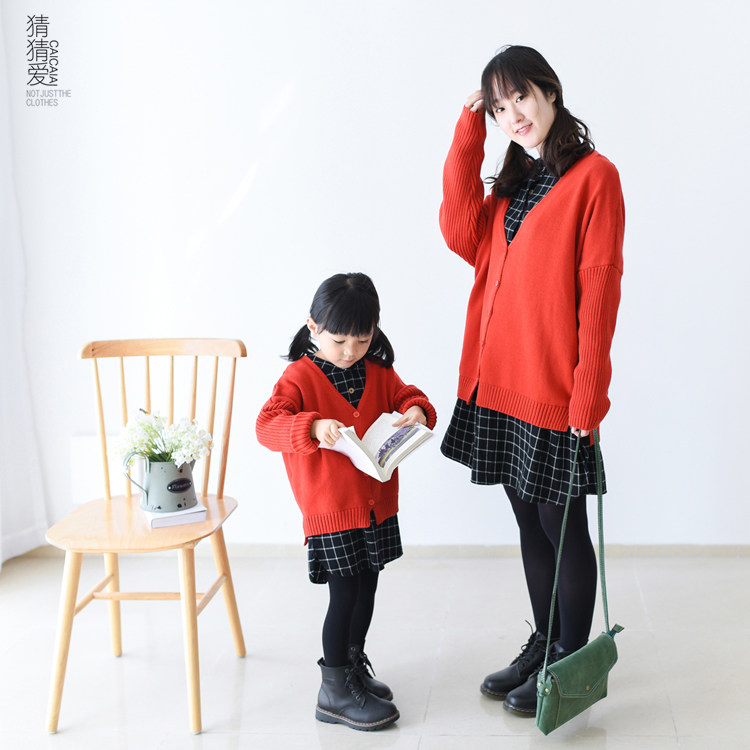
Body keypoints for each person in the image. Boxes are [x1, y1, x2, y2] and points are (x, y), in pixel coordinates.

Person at [439, 45, 625, 717]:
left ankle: (568, 664)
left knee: (559, 522)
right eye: (498, 107)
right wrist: (468, 130)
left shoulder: (596, 177)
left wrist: (588, 393)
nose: (512, 114)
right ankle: (544, 643)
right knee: (527, 517)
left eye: (520, 96)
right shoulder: (511, 185)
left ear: (549, 91)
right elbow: (458, 231)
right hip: (497, 381)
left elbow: (599, 289)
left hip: (552, 387)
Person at [256, 272, 437, 731]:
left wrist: (415, 409)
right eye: (338, 340)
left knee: (368, 587)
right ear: (313, 327)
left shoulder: (378, 371)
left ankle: (353, 667)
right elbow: (267, 426)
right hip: (331, 510)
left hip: (376, 505)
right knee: (345, 594)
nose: (350, 351)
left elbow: (405, 395)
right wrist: (312, 426)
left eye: (362, 339)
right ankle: (333, 689)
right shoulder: (298, 377)